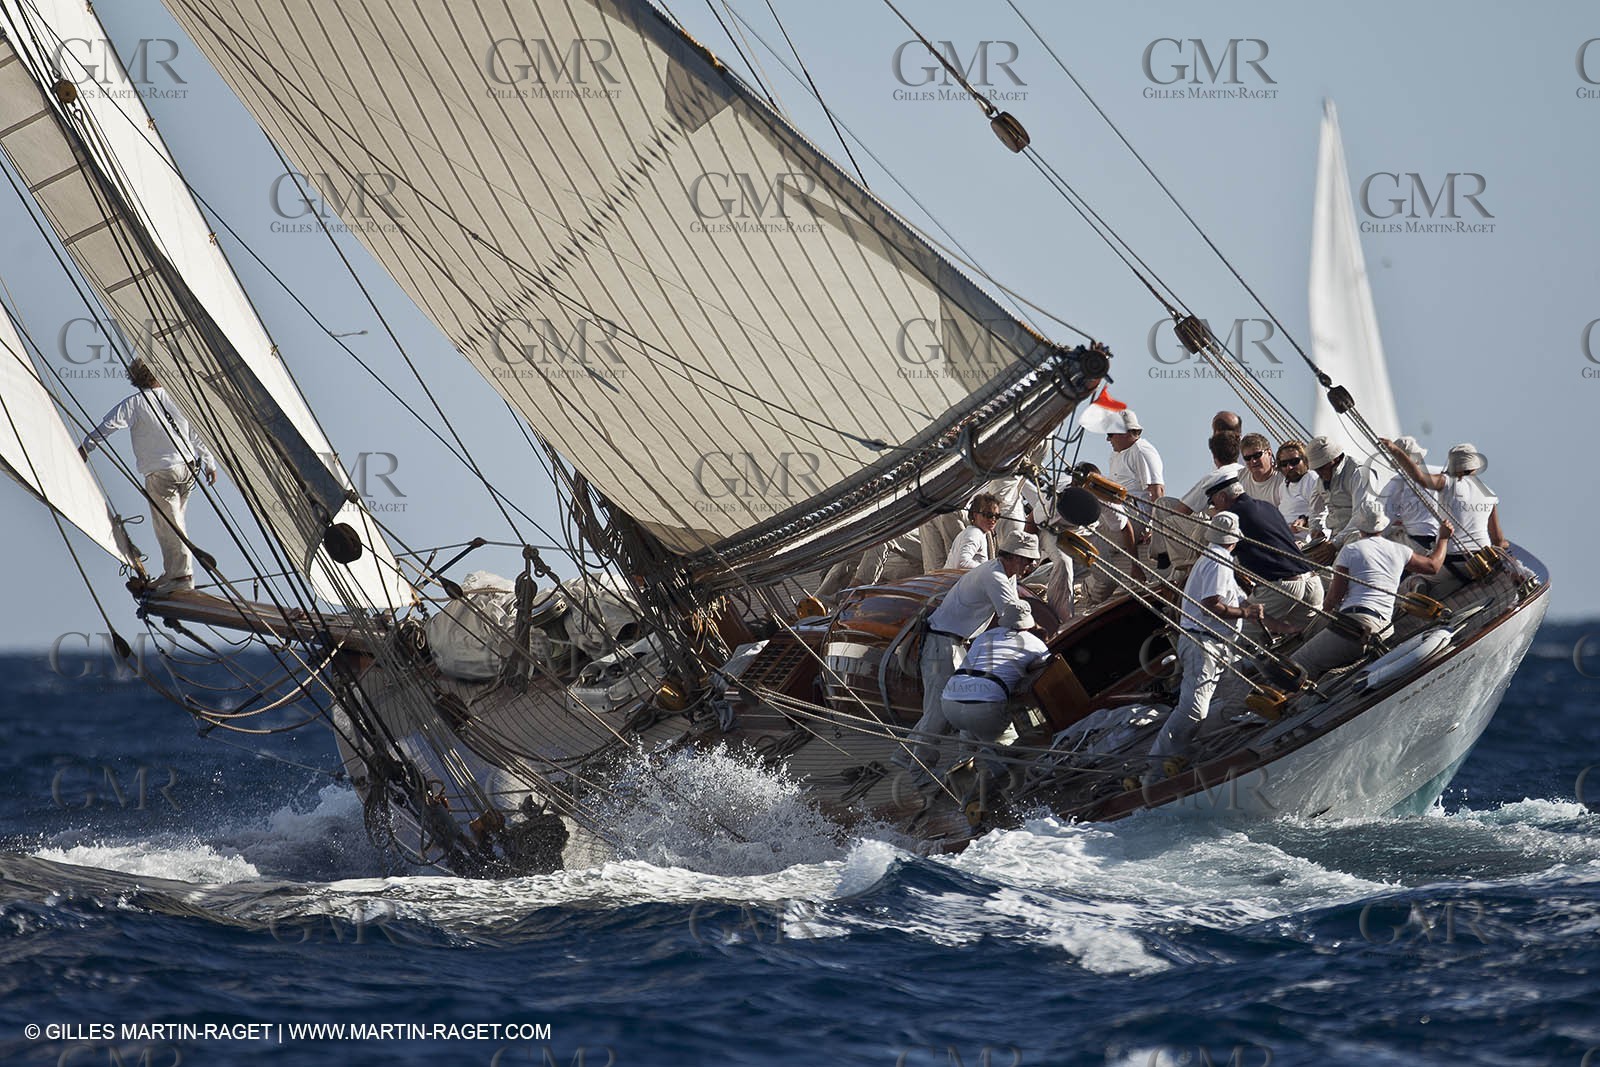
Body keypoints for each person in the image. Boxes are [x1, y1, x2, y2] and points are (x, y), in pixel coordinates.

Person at [903, 530, 1042, 774]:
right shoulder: (995, 576)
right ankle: (919, 770)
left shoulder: (1005, 574)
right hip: (942, 644)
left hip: (953, 642)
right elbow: (1013, 618)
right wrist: (1040, 637)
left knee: (962, 700)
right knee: (939, 712)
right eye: (1027, 560)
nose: (1030, 566)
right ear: (1012, 557)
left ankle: (957, 759)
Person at [79, 359, 216, 594]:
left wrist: (85, 447)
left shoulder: (134, 403)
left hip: (162, 473)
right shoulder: (177, 399)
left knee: (167, 525)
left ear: (135, 379)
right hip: (188, 470)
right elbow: (196, 434)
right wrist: (210, 463)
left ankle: (181, 576)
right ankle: (173, 572)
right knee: (175, 521)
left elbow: (107, 426)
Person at [1146, 512, 1264, 776]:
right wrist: (1246, 613)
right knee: (1193, 710)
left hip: (1218, 645)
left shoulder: (1217, 558)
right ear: (1234, 539)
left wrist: (1249, 609)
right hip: (1204, 645)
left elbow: (1230, 598)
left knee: (1239, 699)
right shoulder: (1218, 561)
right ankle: (1157, 763)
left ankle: (1196, 746)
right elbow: (1211, 605)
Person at [1291, 504, 1453, 682]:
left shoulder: (1350, 550)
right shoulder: (1399, 550)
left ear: (1359, 526)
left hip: (1356, 626)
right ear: (1383, 525)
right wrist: (1443, 538)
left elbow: (1333, 599)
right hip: (1384, 629)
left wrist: (1316, 625)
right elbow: (1433, 566)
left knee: (1298, 664)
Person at [1381, 439, 1508, 597]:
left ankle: (1419, 583)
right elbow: (1498, 540)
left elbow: (1419, 477)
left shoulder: (1448, 482)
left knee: (1408, 585)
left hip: (1451, 563)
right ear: (1475, 467)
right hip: (1482, 561)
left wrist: (1395, 450)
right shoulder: (1489, 494)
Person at [1207, 473, 1324, 637]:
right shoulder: (1267, 507)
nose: (1215, 508)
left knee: (1229, 633)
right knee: (1308, 638)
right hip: (1311, 582)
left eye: (1213, 503)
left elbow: (1218, 554)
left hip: (1283, 588)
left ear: (1222, 497)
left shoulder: (1232, 518)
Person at [940, 616, 1054, 782]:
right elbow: (1047, 669)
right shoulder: (1035, 643)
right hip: (985, 706)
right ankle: (997, 754)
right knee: (1015, 743)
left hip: (950, 702)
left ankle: (964, 761)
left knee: (969, 722)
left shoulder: (985, 635)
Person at [1306, 434, 1381, 549]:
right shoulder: (1321, 479)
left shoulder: (1360, 473)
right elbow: (1315, 510)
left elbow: (1361, 516)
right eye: (1316, 470)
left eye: (1322, 468)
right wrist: (1315, 529)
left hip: (1361, 535)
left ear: (1335, 459)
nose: (1319, 473)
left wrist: (1335, 544)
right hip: (1336, 537)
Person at [1107, 409, 1164, 546]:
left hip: (1136, 517)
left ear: (1124, 433)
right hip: (1119, 511)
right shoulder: (1115, 455)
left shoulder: (1141, 450)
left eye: (1110, 434)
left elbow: (1157, 491)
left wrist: (1154, 529)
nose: (1108, 439)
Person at [1378, 436, 1441, 551]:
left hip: (1418, 541)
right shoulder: (1440, 473)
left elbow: (1383, 516)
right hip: (1441, 540)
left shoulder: (1398, 481)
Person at [1175, 431, 1242, 515]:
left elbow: (1183, 511)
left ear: (1214, 455)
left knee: (1165, 504)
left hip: (1221, 520)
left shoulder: (1213, 478)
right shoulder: (1246, 473)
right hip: (1245, 519)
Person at [1275, 440, 1327, 547]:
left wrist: (1304, 520)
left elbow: (1324, 511)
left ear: (1305, 460)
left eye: (1294, 461)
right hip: (1284, 538)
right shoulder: (1283, 486)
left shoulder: (1312, 479)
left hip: (1304, 542)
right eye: (1284, 464)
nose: (1289, 467)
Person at [944, 493, 1002, 570]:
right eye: (988, 515)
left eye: (997, 516)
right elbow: (961, 563)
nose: (993, 520)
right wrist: (989, 569)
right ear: (975, 515)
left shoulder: (974, 532)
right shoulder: (975, 533)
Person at [1238, 432, 1284, 506]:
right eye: (1247, 458)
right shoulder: (1239, 478)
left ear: (1269, 453)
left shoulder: (1283, 480)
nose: (1253, 461)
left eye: (1257, 455)